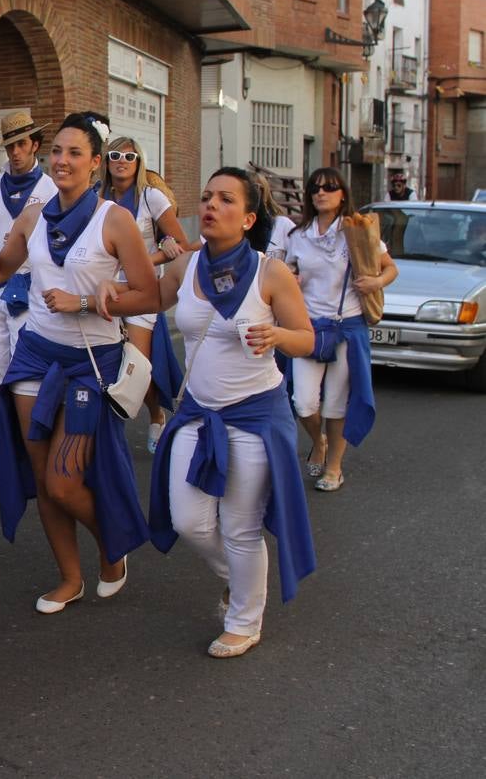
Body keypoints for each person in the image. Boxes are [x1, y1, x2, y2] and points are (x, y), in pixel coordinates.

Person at [115, 167, 316, 658]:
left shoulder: (272, 273)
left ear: (248, 218)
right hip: (198, 413)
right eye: (205, 197)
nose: (210, 205)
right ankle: (239, 580)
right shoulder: (185, 265)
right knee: (190, 520)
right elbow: (146, 299)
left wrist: (277, 337)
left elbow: (308, 338)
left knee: (241, 525)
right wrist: (95, 296)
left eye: (225, 199)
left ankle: (245, 619)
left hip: (254, 416)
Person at [0, 112, 158, 613]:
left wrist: (90, 301)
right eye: (57, 152)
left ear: (94, 165)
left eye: (74, 153)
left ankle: (112, 546)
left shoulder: (115, 220)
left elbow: (149, 292)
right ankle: (69, 578)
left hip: (91, 359)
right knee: (45, 480)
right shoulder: (33, 215)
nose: (61, 161)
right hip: (35, 353)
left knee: (66, 481)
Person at [285, 168, 397, 492]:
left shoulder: (356, 231)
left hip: (347, 327)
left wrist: (375, 281)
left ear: (342, 194)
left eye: (330, 187)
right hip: (310, 328)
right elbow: (288, 273)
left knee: (336, 404)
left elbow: (391, 268)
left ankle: (334, 466)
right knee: (303, 402)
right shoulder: (298, 236)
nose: (321, 193)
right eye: (316, 188)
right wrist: (291, 279)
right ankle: (318, 441)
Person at [101, 135, 192, 452]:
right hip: (107, 289)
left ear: (138, 162)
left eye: (129, 156)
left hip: (143, 290)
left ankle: (156, 417)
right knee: (108, 359)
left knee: (136, 362)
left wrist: (146, 258)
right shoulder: (98, 197)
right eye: (114, 155)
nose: (121, 161)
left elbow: (181, 246)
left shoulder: (151, 197)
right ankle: (110, 433)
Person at [0, 110, 57, 413]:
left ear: (34, 144)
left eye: (22, 144)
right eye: (10, 146)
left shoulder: (50, 189)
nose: (16, 152)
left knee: (25, 369)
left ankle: (29, 430)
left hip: (30, 287)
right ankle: (5, 431)